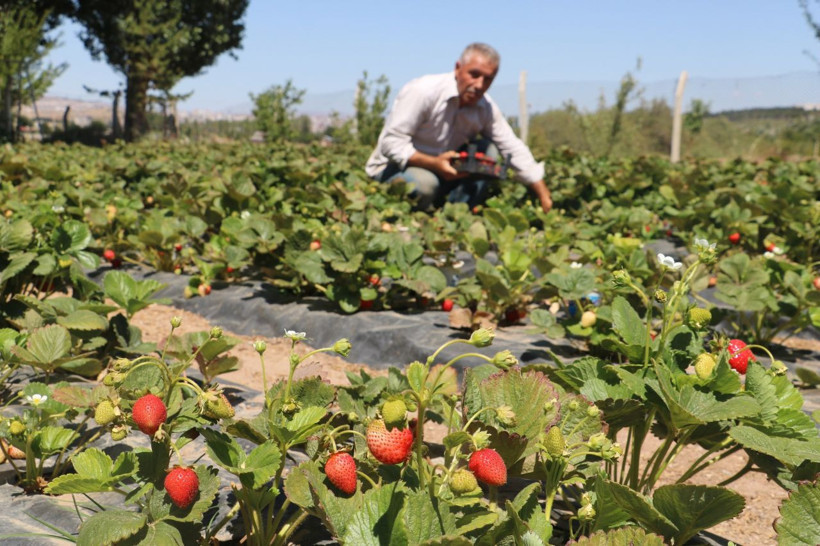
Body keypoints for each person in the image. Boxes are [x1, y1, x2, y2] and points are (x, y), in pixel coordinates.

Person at [365, 42, 553, 213]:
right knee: (425, 183)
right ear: (457, 68)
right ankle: (415, 220)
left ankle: (454, 216)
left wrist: (543, 194)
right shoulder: (424, 91)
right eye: (474, 74)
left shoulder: (485, 107)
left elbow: (512, 146)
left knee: (489, 151)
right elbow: (391, 144)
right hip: (392, 168)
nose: (479, 85)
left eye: (488, 79)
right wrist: (434, 163)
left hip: (444, 171)